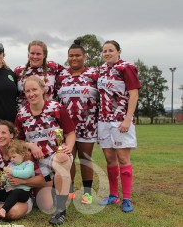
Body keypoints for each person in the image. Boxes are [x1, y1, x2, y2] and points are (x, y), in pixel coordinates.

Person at [14, 76, 76, 226]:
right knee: (46, 206)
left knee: (62, 160)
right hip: (36, 162)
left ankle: (61, 211)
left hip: (55, 154)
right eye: (27, 91)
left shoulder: (56, 108)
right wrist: (31, 146)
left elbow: (70, 133)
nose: (31, 94)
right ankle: (43, 191)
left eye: (34, 89)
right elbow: (17, 140)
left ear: (43, 89)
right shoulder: (22, 114)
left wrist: (68, 147)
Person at [97, 40, 141, 213]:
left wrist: (127, 119)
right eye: (104, 51)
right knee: (109, 159)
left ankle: (127, 198)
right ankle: (113, 196)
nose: (107, 53)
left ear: (119, 51)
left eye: (110, 50)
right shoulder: (101, 69)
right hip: (103, 120)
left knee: (123, 159)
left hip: (120, 120)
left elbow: (134, 94)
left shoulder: (126, 67)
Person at [56, 39, 99, 204]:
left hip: (87, 125)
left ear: (84, 57)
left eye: (78, 55)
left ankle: (87, 192)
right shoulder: (62, 76)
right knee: (68, 159)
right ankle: (70, 190)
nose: (74, 58)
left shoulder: (93, 74)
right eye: (71, 55)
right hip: (67, 127)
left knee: (85, 158)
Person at [14, 40, 64, 110]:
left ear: (44, 55)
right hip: (25, 115)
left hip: (49, 114)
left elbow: (70, 72)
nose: (35, 56)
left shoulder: (53, 67)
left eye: (38, 54)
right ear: (28, 54)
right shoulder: (19, 71)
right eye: (32, 53)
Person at [0, 140, 35, 218]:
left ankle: (3, 210)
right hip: (9, 190)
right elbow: (5, 175)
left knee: (16, 192)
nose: (11, 159)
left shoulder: (28, 164)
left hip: (23, 193)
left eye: (14, 157)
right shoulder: (11, 164)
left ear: (22, 154)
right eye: (10, 157)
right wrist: (3, 177)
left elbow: (26, 174)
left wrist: (12, 172)